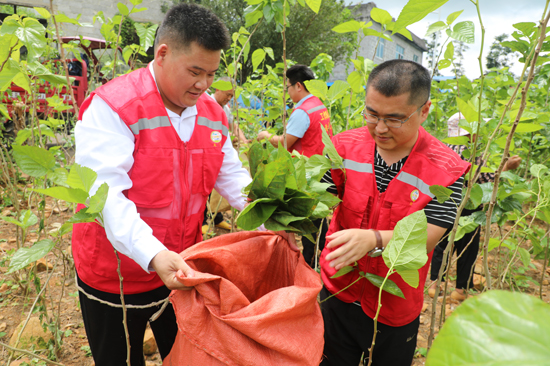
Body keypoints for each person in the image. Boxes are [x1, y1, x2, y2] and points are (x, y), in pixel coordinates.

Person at [71, 4, 253, 365]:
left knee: (185, 355)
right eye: (195, 71)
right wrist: (153, 254)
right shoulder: (115, 107)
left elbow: (233, 177)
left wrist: (269, 219)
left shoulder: (213, 113)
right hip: (115, 275)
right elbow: (104, 195)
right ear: (163, 53)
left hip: (181, 269)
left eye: (212, 74)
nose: (204, 85)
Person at [318, 60, 471, 366]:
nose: (380, 127)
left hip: (395, 302)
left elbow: (428, 236)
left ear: (424, 111)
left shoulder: (447, 168)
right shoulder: (342, 147)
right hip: (339, 289)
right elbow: (319, 198)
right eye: (371, 114)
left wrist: (372, 239)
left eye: (395, 118)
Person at [428, 112, 521, 301]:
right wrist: (506, 168)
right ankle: (461, 289)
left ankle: (435, 284)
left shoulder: (443, 148)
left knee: (442, 244)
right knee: (467, 248)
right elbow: (485, 181)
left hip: (444, 203)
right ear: (467, 133)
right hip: (469, 206)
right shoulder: (470, 152)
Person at [257, 64, 332, 268]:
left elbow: (284, 143)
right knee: (318, 218)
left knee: (308, 218)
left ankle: (309, 262)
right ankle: (321, 254)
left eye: (288, 87)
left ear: (298, 86)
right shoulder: (319, 104)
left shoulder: (302, 111)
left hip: (307, 171)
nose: (288, 92)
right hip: (322, 167)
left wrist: (265, 135)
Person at [211, 76, 249, 145]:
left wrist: (244, 140)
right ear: (218, 89)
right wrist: (226, 135)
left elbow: (234, 127)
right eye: (228, 95)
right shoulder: (206, 105)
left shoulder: (226, 109)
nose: (229, 98)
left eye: (231, 96)